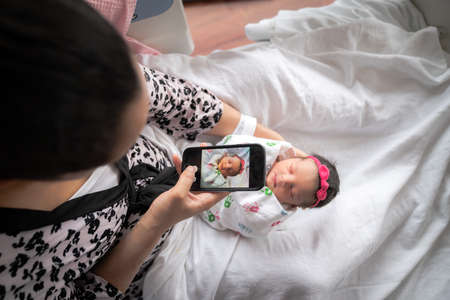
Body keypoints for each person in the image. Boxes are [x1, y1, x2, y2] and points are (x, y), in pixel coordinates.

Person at [0, 1, 288, 299]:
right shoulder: (15, 270)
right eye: (123, 142)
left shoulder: (61, 67)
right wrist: (155, 223)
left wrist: (256, 131)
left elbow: (161, 94)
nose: (147, 91)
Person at [200, 135, 340, 238]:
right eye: (291, 169)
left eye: (291, 191)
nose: (284, 179)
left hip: (208, 200)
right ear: (294, 157)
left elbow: (252, 224)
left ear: (293, 205)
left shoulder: (268, 211)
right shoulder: (271, 152)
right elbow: (236, 142)